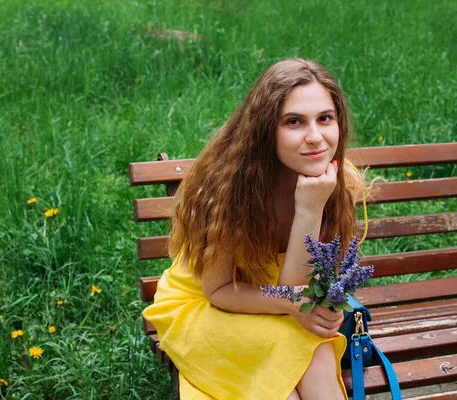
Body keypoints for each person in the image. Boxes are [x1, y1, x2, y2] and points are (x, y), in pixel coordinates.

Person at [143, 58, 367, 400]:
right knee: (285, 387)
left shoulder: (339, 182)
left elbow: (298, 291)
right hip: (206, 304)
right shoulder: (229, 189)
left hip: (279, 303)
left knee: (313, 350)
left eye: (325, 118)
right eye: (294, 122)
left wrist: (311, 208)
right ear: (265, 129)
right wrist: (294, 302)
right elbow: (218, 291)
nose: (315, 137)